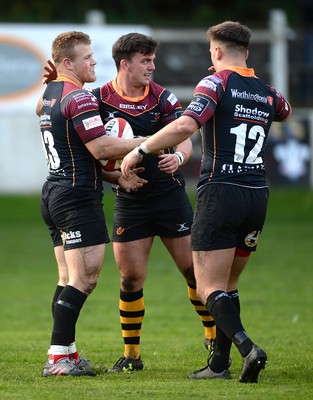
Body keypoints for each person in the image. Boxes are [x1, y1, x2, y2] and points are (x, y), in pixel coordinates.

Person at [121, 21, 292, 383]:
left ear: (215, 52)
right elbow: (285, 111)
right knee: (227, 286)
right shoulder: (266, 90)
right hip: (257, 194)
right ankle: (219, 365)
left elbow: (186, 126)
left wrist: (141, 148)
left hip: (221, 192)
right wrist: (252, 90)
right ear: (246, 52)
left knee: (207, 285)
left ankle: (249, 349)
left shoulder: (215, 83)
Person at [94, 32, 217, 372]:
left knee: (194, 271)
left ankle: (212, 335)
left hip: (169, 195)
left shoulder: (162, 98)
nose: (152, 66)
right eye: (145, 61)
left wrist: (178, 158)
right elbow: (94, 156)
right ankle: (131, 357)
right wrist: (117, 177)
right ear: (125, 64)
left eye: (153, 60)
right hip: (130, 201)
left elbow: (184, 138)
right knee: (130, 279)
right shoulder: (98, 99)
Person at [37, 30, 146, 377]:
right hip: (76, 198)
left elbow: (75, 150)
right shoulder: (79, 98)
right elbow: (100, 149)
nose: (94, 61)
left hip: (54, 192)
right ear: (67, 62)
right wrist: (149, 141)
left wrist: (115, 178)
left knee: (68, 277)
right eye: (87, 57)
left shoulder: (49, 94)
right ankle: (58, 359)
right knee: (85, 280)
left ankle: (67, 353)